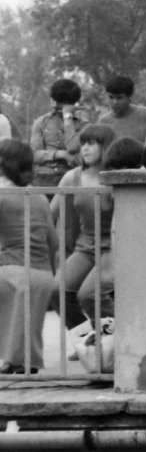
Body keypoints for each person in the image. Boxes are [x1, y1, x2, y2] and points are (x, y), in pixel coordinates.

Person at [52, 123, 121, 333]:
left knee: (89, 295)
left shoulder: (118, 177)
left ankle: (122, 336)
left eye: (91, 144)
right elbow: (50, 212)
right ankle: (85, 337)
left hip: (113, 247)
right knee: (57, 290)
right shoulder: (72, 177)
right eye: (83, 144)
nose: (85, 149)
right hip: (86, 247)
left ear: (106, 146)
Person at [0, 139, 58, 374]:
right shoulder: (40, 197)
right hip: (43, 275)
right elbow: (54, 242)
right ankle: (23, 361)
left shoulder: (1, 196)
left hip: (11, 272)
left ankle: (11, 360)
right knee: (25, 319)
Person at [29, 78, 86, 189]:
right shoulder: (41, 122)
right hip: (43, 179)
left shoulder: (84, 125)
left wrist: (67, 117)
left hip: (70, 179)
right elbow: (34, 155)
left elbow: (72, 148)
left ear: (72, 103)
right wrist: (60, 154)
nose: (54, 105)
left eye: (60, 102)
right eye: (53, 100)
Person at [101, 76, 146, 147]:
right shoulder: (104, 121)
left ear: (129, 97)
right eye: (111, 97)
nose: (115, 102)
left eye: (119, 98)